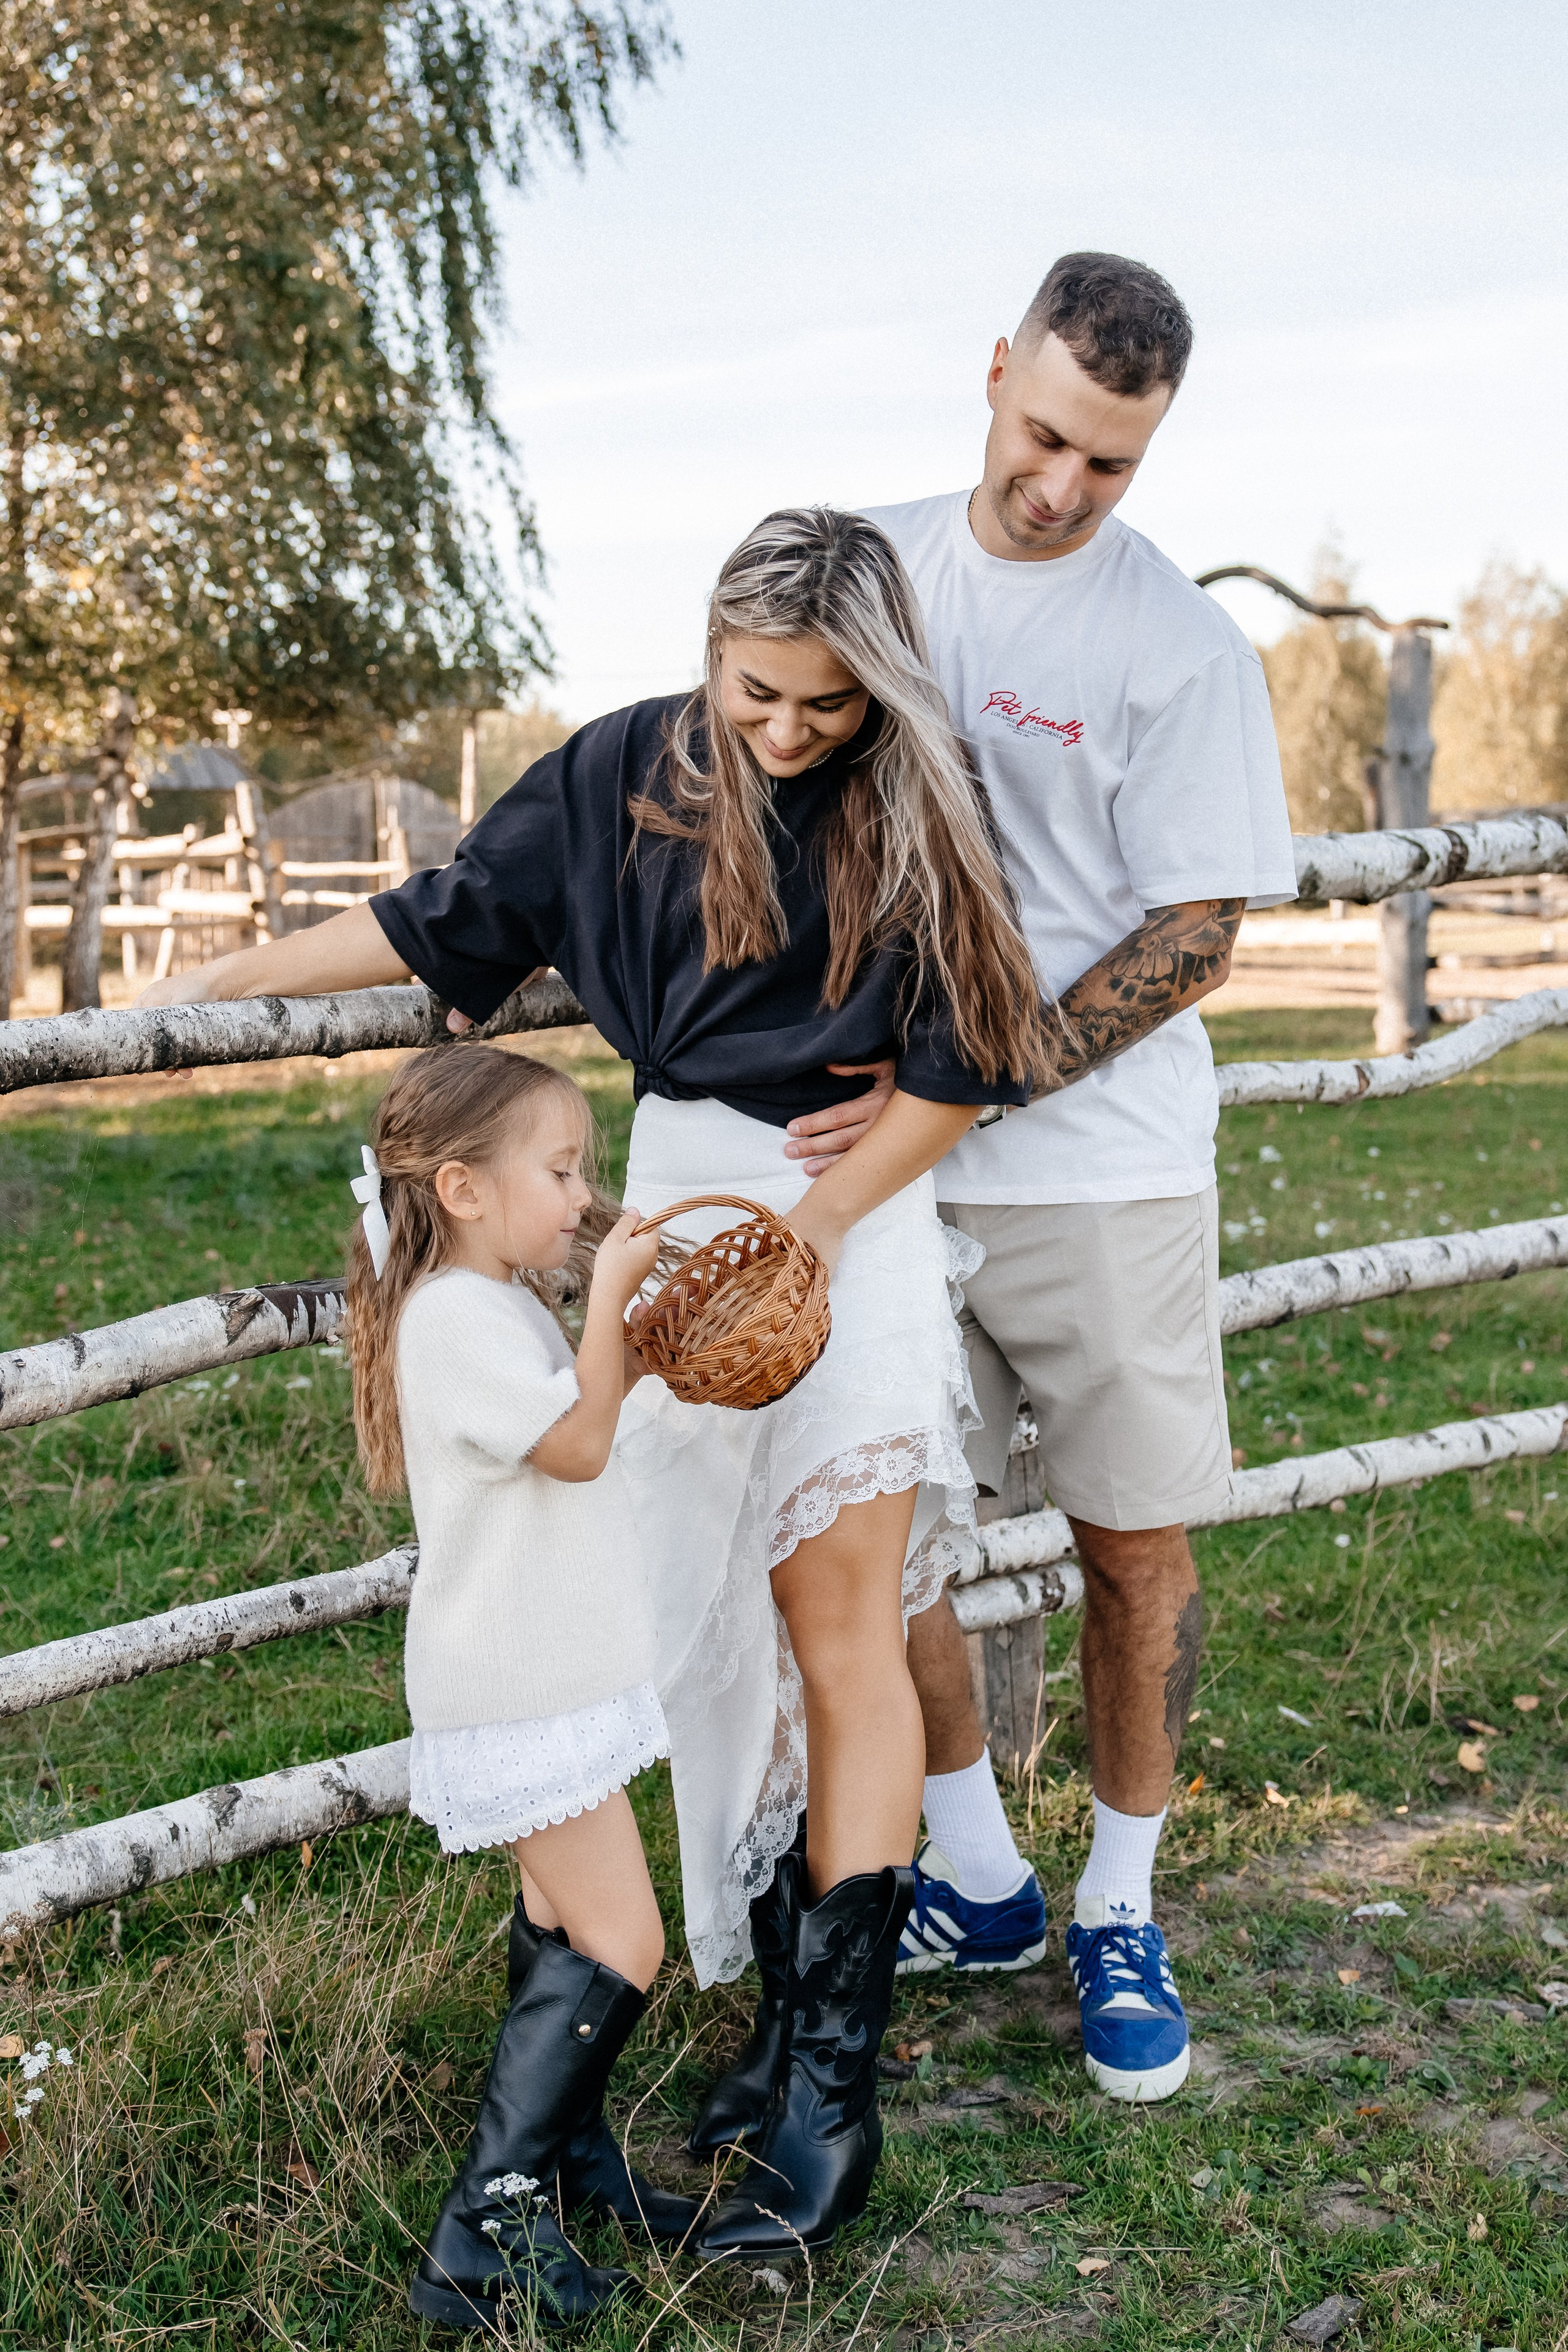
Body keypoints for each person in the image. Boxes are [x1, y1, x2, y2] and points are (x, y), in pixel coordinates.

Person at [139, 505, 1052, 2260]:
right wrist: (229, 979)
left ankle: (824, 2092)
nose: (789, 733)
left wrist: (830, 1221)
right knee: (669, 1602)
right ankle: (646, 2057)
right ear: (712, 650)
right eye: (761, 693)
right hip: (691, 1191)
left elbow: (969, 1053)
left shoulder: (920, 801)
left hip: (850, 1217)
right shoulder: (625, 773)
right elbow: (444, 920)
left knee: (840, 1625)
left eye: (829, 707)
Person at [785, 252, 1297, 2102]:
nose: (1065, 489)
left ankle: (1118, 1910)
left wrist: (972, 1087)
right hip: (886, 1168)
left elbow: (1198, 934)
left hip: (1104, 1173)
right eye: (1047, 436)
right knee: (869, 1529)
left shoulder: (1177, 648)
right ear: (994, 373)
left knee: (1133, 1550)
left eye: (1114, 465)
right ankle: (980, 1877)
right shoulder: (876, 575)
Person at [341, 1042, 698, 2332]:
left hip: (550, 1673)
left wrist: (624, 1331)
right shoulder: (452, 1318)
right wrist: (610, 1304)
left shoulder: (497, 1303)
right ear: (462, 1187)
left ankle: (561, 2173)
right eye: (558, 1170)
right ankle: (479, 2233)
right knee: (625, 1941)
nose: (578, 1195)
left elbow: (582, 1413)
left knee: (562, 1931)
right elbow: (581, 1445)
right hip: (514, 1685)